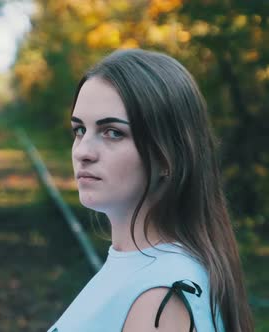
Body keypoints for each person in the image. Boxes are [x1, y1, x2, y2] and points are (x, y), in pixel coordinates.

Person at [48, 49, 254, 332]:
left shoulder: (161, 296)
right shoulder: (138, 267)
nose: (83, 151)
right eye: (80, 130)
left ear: (167, 155)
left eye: (112, 132)